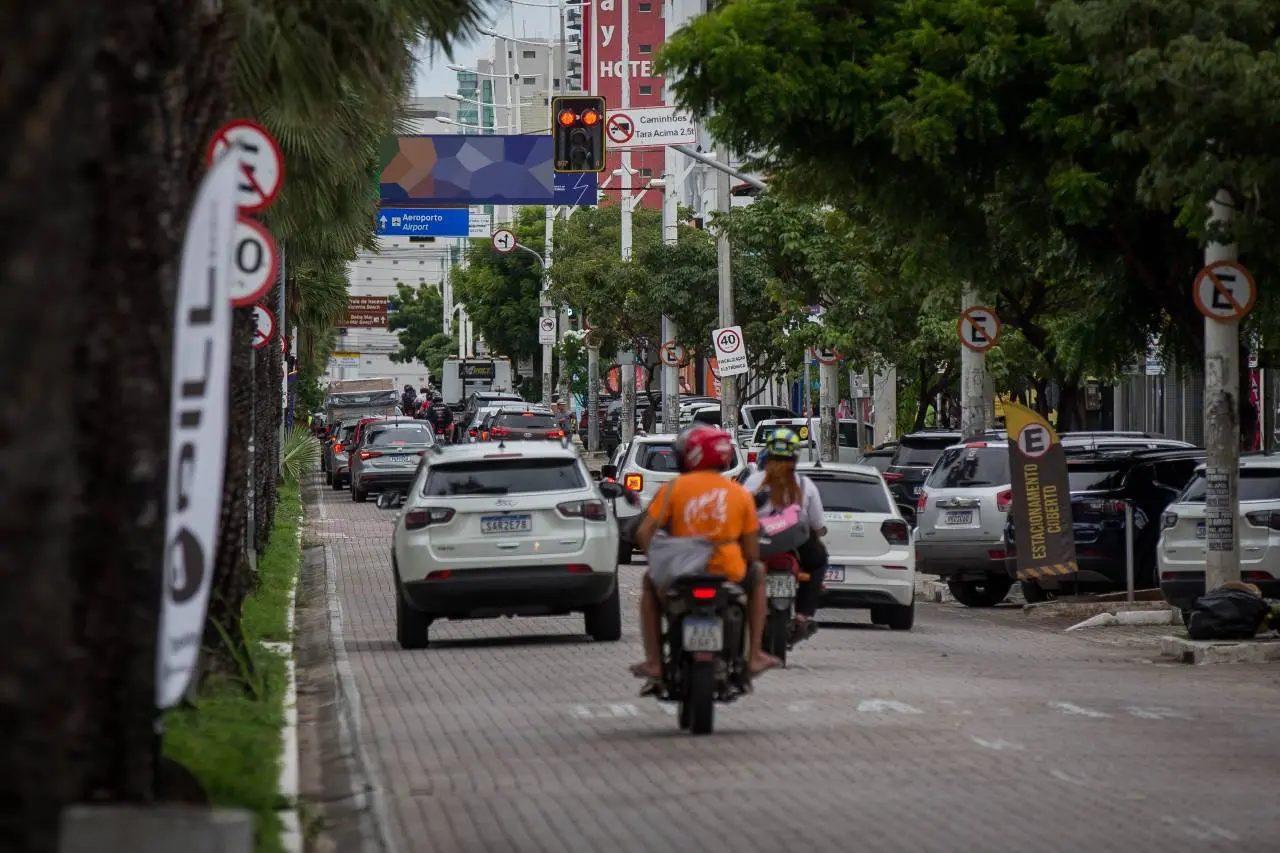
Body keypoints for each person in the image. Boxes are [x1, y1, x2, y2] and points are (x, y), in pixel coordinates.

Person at [630, 426, 781, 681]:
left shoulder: (673, 489)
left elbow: (644, 533)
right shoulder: (739, 493)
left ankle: (655, 661)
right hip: (728, 571)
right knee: (757, 573)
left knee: (649, 583)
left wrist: (660, 563)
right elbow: (751, 551)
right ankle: (755, 654)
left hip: (680, 572)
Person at [740, 428, 828, 643]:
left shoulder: (752, 482)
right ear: (796, 456)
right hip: (794, 546)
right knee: (819, 560)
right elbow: (817, 525)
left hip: (758, 544)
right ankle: (802, 616)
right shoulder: (805, 485)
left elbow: (739, 517)